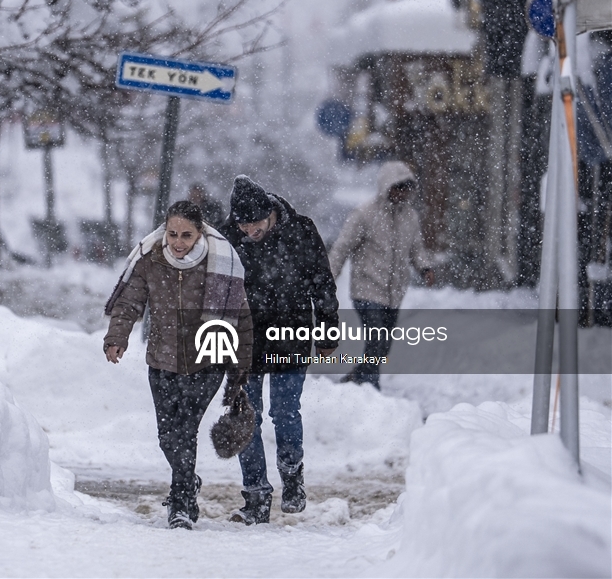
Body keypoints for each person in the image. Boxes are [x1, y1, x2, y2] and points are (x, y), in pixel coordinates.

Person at [104, 200, 252, 530]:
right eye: (173, 234)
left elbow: (240, 318)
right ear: (164, 231)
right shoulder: (150, 259)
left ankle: (182, 504)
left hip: (207, 361)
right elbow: (130, 302)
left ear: (200, 233)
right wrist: (118, 337)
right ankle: (187, 479)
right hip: (162, 360)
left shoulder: (220, 262)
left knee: (184, 431)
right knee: (166, 436)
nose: (178, 242)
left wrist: (239, 370)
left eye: (187, 235)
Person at [219, 175, 339, 524]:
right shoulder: (228, 239)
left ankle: (292, 476)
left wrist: (328, 329)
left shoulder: (300, 230)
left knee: (285, 412)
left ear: (270, 213)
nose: (250, 232)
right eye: (243, 225)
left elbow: (321, 280)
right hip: (244, 340)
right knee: (245, 418)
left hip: (291, 332)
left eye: (255, 225)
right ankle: (255, 496)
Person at [329, 161, 434, 389]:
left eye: (406, 188)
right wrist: (329, 278)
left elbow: (416, 248)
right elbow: (342, 247)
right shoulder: (364, 214)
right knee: (376, 340)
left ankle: (358, 376)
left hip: (394, 292)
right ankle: (370, 387)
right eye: (398, 187)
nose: (402, 193)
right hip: (366, 288)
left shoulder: (410, 218)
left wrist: (425, 267)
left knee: (383, 345)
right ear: (386, 186)